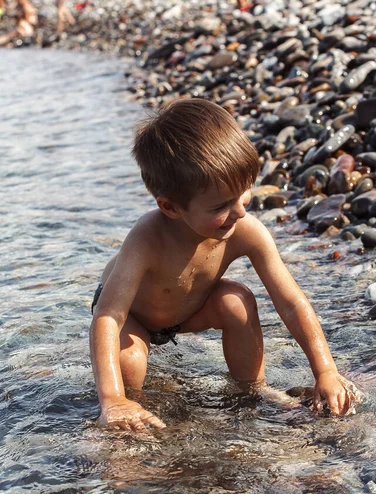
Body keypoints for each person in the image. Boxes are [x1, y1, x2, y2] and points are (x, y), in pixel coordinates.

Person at [90, 98, 360, 432]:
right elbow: (108, 316)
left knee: (236, 301)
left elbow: (291, 302)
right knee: (128, 363)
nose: (241, 212)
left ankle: (251, 390)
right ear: (170, 207)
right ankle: (135, 418)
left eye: (244, 193)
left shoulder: (244, 230)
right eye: (222, 205)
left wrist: (326, 372)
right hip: (133, 317)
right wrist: (112, 398)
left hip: (189, 311)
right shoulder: (146, 239)